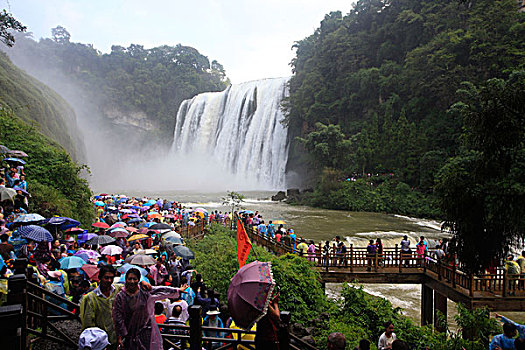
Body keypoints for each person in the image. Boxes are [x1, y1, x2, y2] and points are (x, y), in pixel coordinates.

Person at [112, 268, 187, 350]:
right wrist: (121, 335)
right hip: (128, 333)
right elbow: (118, 317)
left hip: (145, 331)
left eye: (135, 279)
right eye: (130, 279)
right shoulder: (121, 296)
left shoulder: (144, 291)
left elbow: (159, 290)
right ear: (126, 279)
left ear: (138, 280)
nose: (132, 281)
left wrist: (177, 290)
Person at [255, 285, 280, 349]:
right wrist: (275, 304)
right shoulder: (264, 302)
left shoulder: (257, 300)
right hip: (267, 339)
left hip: (259, 336)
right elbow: (277, 317)